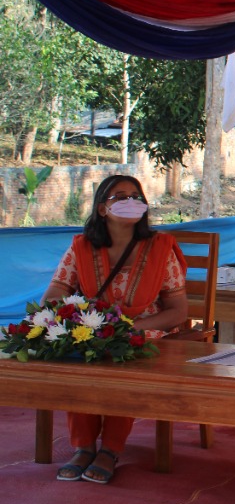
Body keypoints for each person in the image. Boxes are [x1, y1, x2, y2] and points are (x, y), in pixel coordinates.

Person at [44, 175, 189, 484]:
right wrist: (79, 321)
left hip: (145, 331)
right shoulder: (81, 248)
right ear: (101, 209)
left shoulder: (160, 247)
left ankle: (109, 449)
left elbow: (178, 311)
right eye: (120, 196)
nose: (131, 201)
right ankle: (83, 447)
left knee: (125, 354)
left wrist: (132, 327)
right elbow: (53, 297)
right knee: (79, 355)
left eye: (136, 196)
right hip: (95, 329)